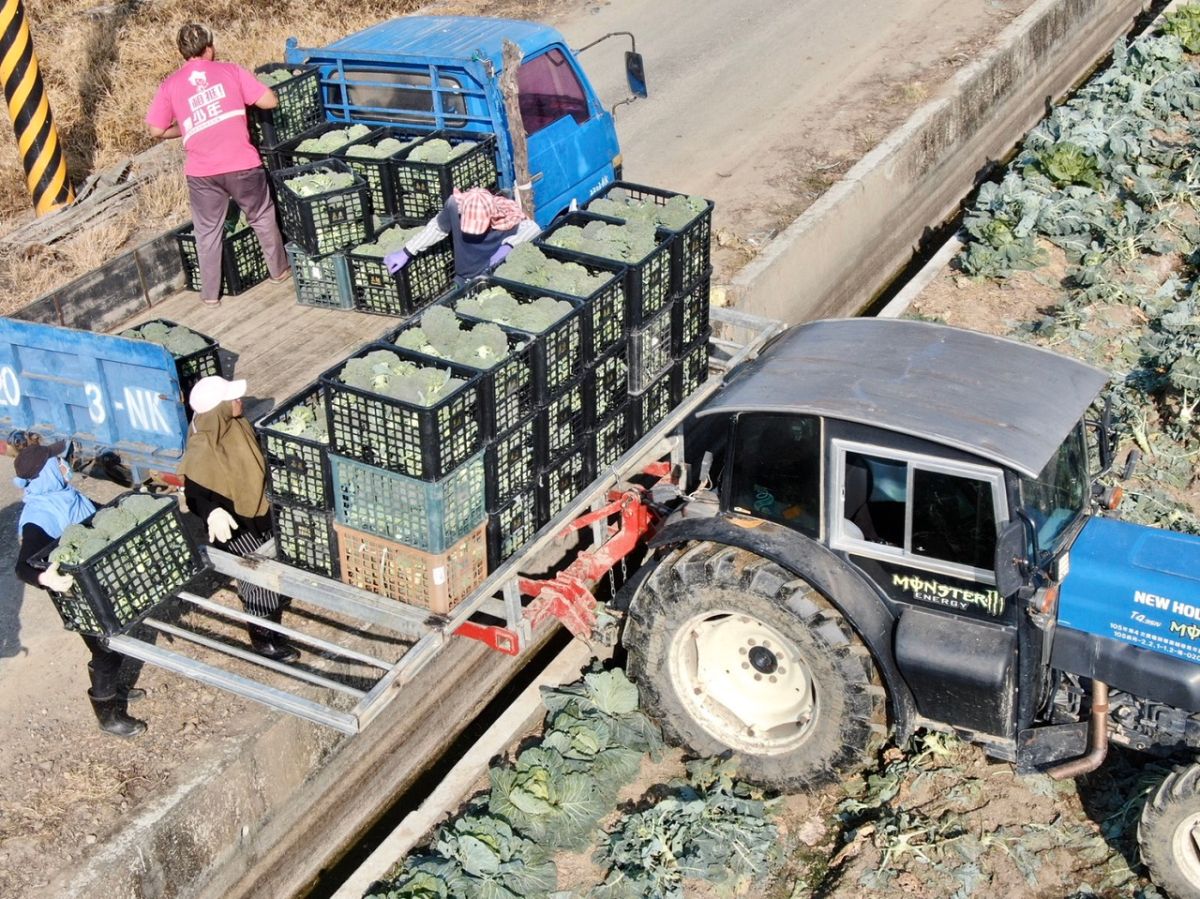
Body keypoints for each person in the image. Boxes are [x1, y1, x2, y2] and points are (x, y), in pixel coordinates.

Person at [145, 23, 290, 308]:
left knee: (207, 232)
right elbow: (269, 101)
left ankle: (210, 296)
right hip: (242, 164)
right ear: (209, 46)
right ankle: (278, 272)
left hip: (202, 173)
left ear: (181, 52)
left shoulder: (170, 85)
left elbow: (156, 130)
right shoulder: (230, 71)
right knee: (261, 215)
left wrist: (186, 127)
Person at [12, 441, 148, 738]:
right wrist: (45, 579)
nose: (65, 464)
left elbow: (97, 516)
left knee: (115, 639)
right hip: (76, 595)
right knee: (104, 649)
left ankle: (115, 689)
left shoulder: (64, 495)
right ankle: (108, 715)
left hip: (98, 583)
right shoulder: (39, 515)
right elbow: (23, 566)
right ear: (48, 472)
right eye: (59, 462)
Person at [180, 376, 299, 663]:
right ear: (218, 409)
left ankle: (272, 618)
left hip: (257, 510)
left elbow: (256, 457)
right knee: (254, 575)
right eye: (232, 399)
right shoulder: (203, 445)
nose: (239, 402)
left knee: (271, 565)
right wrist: (212, 512)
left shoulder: (238, 425)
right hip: (233, 524)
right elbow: (195, 492)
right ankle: (263, 638)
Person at [384, 186, 540, 284]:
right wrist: (407, 251)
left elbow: (533, 228)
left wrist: (508, 245)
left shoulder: (506, 217)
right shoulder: (454, 206)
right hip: (463, 278)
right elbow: (438, 228)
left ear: (491, 216)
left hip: (494, 278)